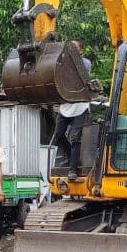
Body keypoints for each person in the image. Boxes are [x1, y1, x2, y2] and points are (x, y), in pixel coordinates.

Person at [51, 52, 93, 180]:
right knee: (58, 135)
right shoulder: (63, 66)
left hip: (80, 107)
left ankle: (73, 169)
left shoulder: (84, 63)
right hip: (66, 107)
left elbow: (81, 71)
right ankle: (72, 159)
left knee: (76, 138)